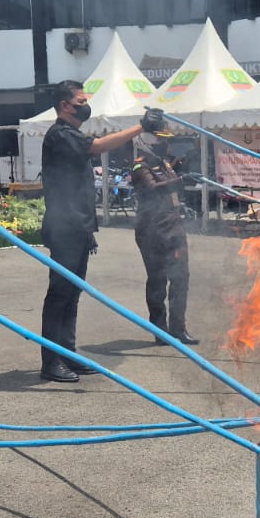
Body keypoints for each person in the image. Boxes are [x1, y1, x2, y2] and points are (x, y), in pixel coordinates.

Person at [38, 81, 163, 382]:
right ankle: (50, 361)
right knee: (59, 294)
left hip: (78, 227)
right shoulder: (60, 135)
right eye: (80, 100)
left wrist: (87, 230)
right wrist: (140, 127)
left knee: (72, 294)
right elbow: (97, 147)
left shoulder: (72, 134)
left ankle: (67, 353)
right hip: (64, 227)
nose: (85, 104)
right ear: (66, 105)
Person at [131, 142, 196, 344]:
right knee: (157, 281)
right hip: (152, 232)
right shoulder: (140, 167)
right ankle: (160, 332)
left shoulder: (165, 163)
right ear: (149, 143)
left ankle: (178, 329)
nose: (167, 146)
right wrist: (179, 180)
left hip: (174, 229)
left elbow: (171, 193)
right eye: (162, 141)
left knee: (181, 278)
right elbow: (152, 189)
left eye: (169, 141)